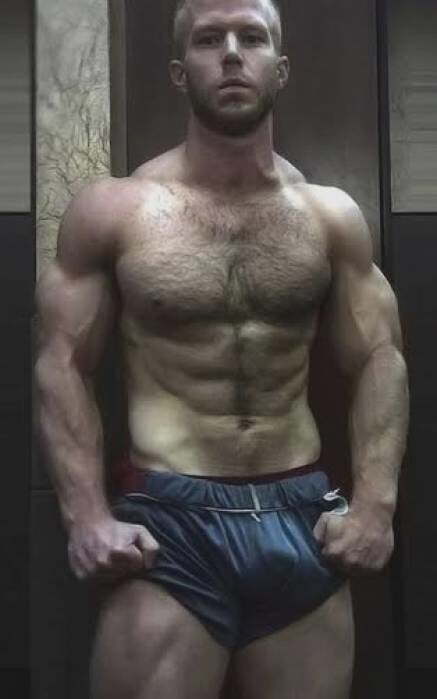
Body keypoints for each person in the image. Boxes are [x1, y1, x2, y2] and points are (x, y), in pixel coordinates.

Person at [35, 0, 409, 697]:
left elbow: (379, 357)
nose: (232, 54)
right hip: (168, 524)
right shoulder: (116, 209)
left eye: (251, 38)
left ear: (280, 67)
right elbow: (60, 364)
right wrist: (85, 516)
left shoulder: (329, 215)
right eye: (210, 39)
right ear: (181, 72)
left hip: (301, 517)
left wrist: (375, 507)